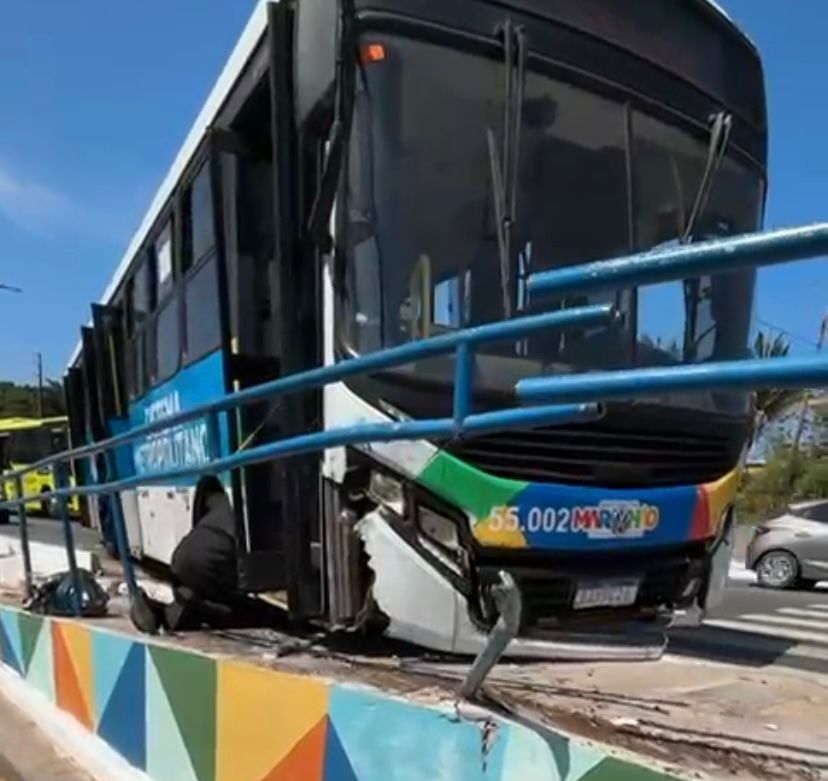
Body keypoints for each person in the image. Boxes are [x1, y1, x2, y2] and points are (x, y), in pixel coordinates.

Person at [130, 477, 273, 634]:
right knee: (226, 604)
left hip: (187, 556)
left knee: (205, 599)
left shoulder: (215, 508)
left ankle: (163, 614)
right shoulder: (233, 506)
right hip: (206, 558)